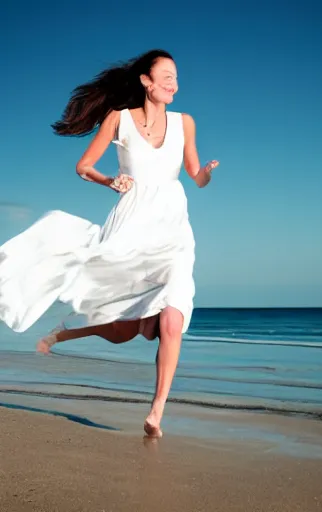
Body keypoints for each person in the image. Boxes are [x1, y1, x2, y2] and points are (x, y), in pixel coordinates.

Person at [0, 49, 218, 438]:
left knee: (171, 318)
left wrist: (204, 175)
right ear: (145, 81)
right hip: (131, 225)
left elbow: (192, 173)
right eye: (166, 76)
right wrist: (110, 181)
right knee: (124, 327)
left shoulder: (185, 123)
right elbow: (83, 166)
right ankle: (63, 331)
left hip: (173, 230)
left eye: (177, 77)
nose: (174, 83)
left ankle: (156, 412)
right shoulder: (118, 120)